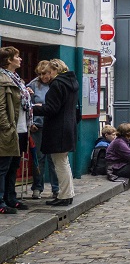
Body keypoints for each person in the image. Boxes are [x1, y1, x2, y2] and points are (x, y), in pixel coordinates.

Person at [33, 58, 81, 207]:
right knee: (63, 162)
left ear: (55, 70)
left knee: (60, 163)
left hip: (57, 129)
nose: (47, 74)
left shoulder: (57, 84)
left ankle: (65, 195)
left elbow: (52, 109)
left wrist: (34, 107)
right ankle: (66, 193)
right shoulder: (71, 83)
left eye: (49, 71)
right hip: (68, 127)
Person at [0, 47, 31, 214]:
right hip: (9, 130)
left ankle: (11, 197)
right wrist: (6, 127)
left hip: (21, 128)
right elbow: (1, 107)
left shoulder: (17, 79)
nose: (20, 59)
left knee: (14, 166)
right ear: (9, 60)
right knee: (3, 166)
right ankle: (1, 200)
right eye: (17, 56)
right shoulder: (2, 78)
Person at [27, 60, 59, 200]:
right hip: (38, 126)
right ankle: (37, 187)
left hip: (52, 126)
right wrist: (31, 122)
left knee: (54, 159)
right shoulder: (33, 85)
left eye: (45, 73)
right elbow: (27, 106)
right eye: (41, 74)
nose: (43, 76)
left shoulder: (56, 84)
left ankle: (56, 188)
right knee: (38, 158)